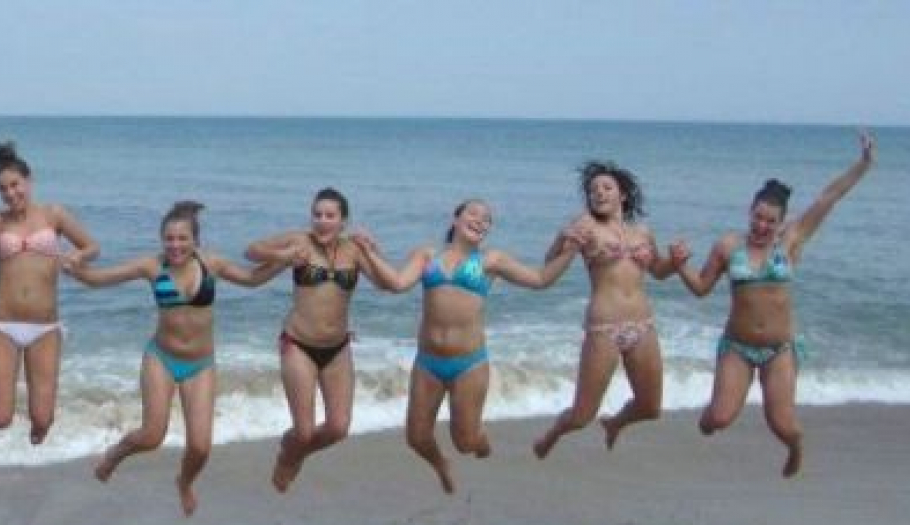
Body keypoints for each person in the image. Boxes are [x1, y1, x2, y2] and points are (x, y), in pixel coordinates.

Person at [672, 131, 875, 477]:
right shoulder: (728, 246)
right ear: (750, 212)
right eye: (757, 217)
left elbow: (829, 197)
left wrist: (863, 164)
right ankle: (709, 418)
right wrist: (680, 267)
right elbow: (702, 288)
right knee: (718, 418)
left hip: (779, 350)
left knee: (782, 425)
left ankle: (795, 448)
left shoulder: (791, 241)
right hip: (737, 347)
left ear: (781, 222)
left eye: (770, 220)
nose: (762, 225)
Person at [65, 201, 280, 515]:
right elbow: (99, 279)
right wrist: (74, 267)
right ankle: (115, 454)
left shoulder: (212, 264)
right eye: (169, 238)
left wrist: (286, 261)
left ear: (195, 240)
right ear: (161, 239)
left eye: (182, 238)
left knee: (200, 447)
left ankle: (184, 482)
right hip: (161, 358)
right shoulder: (152, 267)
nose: (175, 245)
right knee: (152, 437)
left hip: (200, 365)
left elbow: (252, 279)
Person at [353, 199, 577, 492]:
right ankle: (441, 465)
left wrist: (571, 249)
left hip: (469, 363)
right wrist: (368, 252)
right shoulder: (427, 255)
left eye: (487, 219)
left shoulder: (490, 260)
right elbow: (396, 283)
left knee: (466, 442)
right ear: (456, 219)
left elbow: (540, 279)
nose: (480, 220)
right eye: (473, 214)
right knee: (416, 438)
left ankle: (481, 442)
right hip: (428, 363)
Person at [532, 161, 688, 459]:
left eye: (606, 188)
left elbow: (659, 271)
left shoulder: (643, 233)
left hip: (643, 325)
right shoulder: (586, 226)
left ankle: (615, 423)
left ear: (623, 195)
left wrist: (676, 262)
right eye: (593, 190)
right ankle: (552, 435)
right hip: (604, 328)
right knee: (581, 416)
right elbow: (549, 263)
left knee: (651, 408)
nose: (599, 193)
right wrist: (562, 238)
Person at [244, 187, 387, 493]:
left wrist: (373, 251)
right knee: (305, 431)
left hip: (338, 348)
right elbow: (252, 250)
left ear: (343, 220)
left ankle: (296, 453)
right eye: (317, 214)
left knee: (338, 428)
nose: (322, 221)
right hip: (299, 345)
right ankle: (288, 458)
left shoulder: (354, 250)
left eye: (330, 215)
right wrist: (282, 256)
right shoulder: (299, 241)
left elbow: (385, 284)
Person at [0, 142, 100, 444]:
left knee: (43, 420)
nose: (10, 193)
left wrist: (78, 257)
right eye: (2, 189)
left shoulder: (54, 215)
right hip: (3, 325)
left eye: (15, 185)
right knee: (0, 419)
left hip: (45, 327)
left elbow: (92, 247)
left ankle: (9, 401)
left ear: (28, 180)